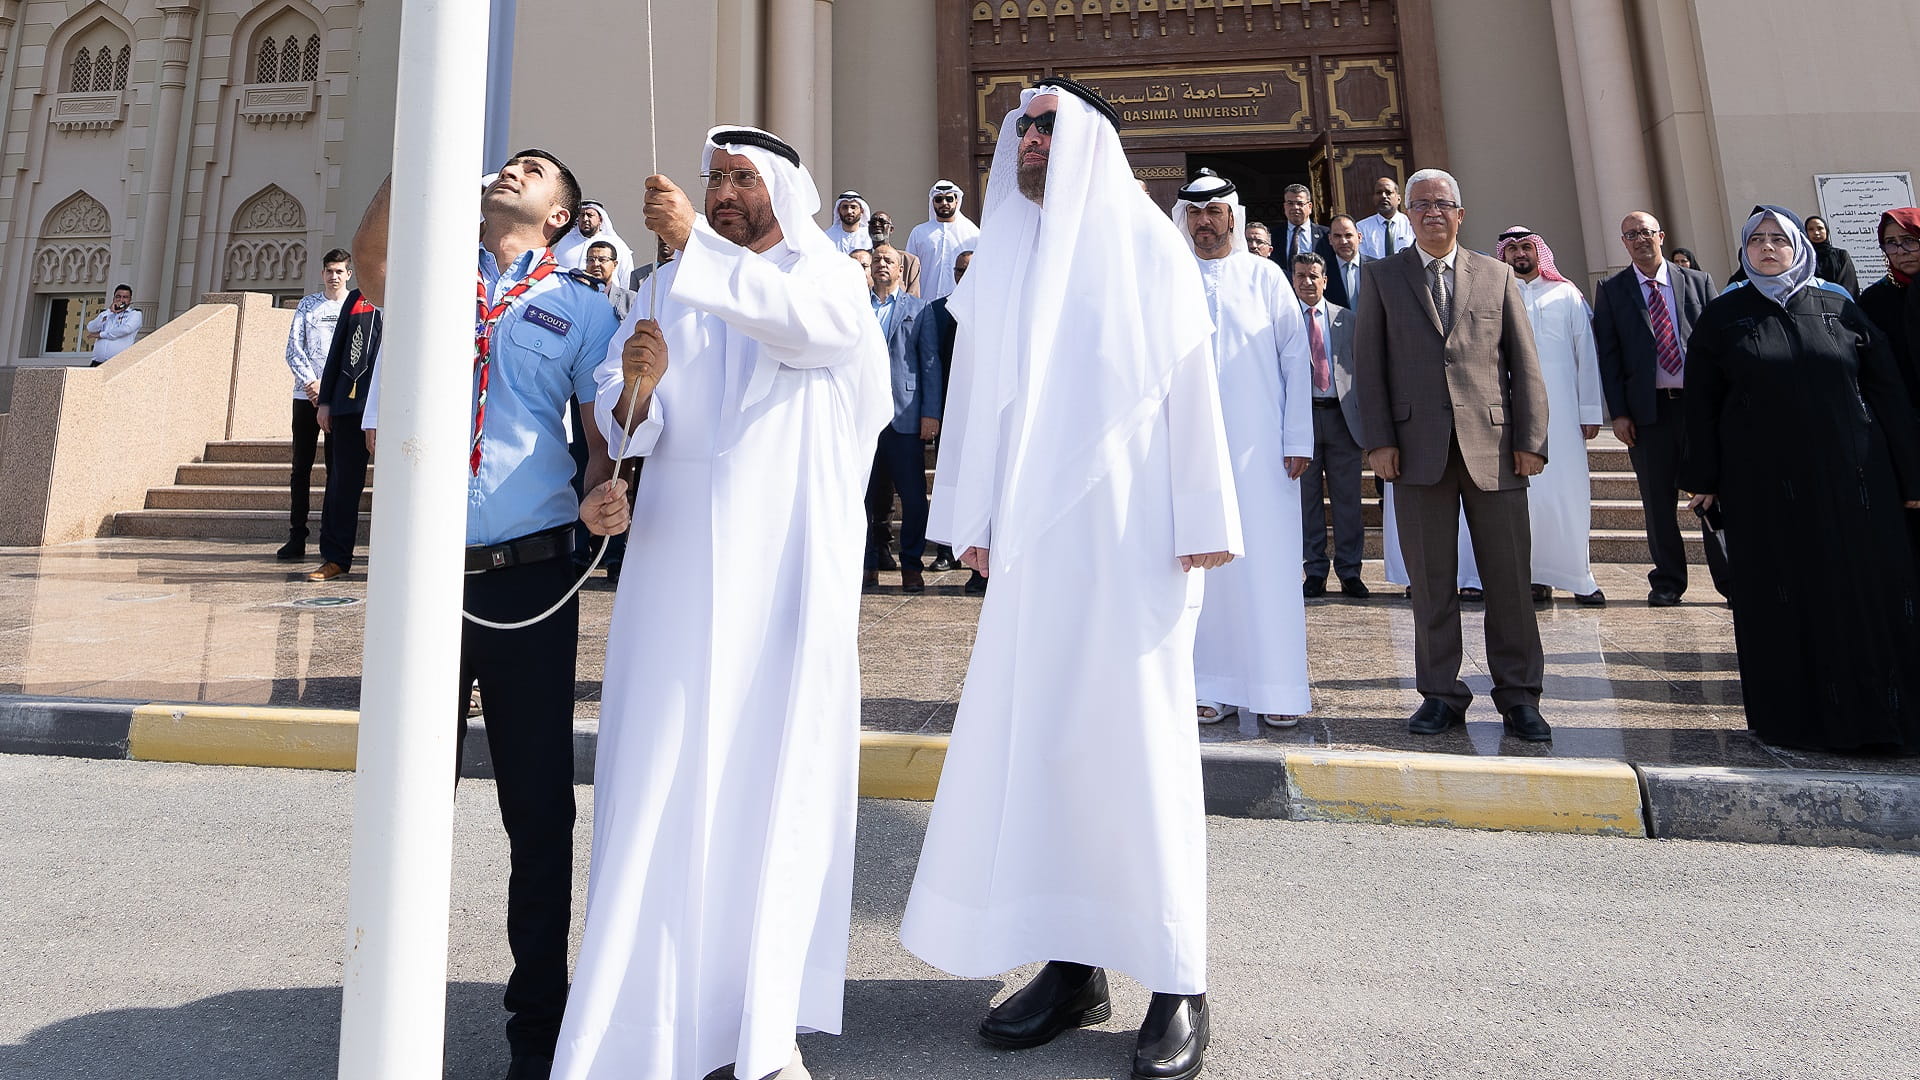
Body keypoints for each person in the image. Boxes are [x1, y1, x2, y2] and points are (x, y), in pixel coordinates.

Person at [901, 78, 1239, 1080]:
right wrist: (967, 517)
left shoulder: (1145, 242)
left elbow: (1189, 381)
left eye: (1048, 125)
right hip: (1036, 550)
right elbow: (976, 397)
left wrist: (1206, 516)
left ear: (1091, 140)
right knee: (1045, 747)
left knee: (1136, 754)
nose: (1029, 138)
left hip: (1138, 537)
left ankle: (1180, 981)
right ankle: (1073, 963)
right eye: (1022, 126)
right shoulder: (1008, 246)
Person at [556, 126, 890, 1080]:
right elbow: (628, 411)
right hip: (672, 571)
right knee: (661, 774)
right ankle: (638, 1028)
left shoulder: (824, 273)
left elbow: (808, 331)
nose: (727, 190)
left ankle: (759, 1032)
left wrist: (698, 244)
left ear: (783, 190)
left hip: (784, 571)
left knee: (767, 779)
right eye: (716, 177)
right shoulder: (665, 289)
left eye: (744, 177)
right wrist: (630, 408)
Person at [353, 148, 623, 1080]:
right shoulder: (432, 274)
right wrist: (415, 152)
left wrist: (605, 493)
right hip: (424, 578)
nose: (515, 168)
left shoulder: (585, 308)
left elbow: (600, 438)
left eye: (537, 169)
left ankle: (536, 1031)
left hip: (528, 583)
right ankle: (391, 1015)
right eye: (508, 161)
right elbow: (374, 263)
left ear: (560, 215)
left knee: (537, 809)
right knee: (405, 797)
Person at [1680, 206, 1920, 754]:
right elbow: (1702, 403)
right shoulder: (1724, 316)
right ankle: (1799, 723)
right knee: (1787, 595)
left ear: (1798, 246)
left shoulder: (1839, 306)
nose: (1768, 248)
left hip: (1857, 481)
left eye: (1778, 239)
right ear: (1744, 249)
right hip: (1766, 489)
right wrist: (1705, 476)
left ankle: (1882, 720)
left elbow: (1886, 391)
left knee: (1865, 592)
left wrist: (1911, 475)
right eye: (1757, 240)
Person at [1354, 168, 1553, 743]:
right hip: (1416, 453)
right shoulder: (1382, 277)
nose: (1432, 212)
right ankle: (1441, 694)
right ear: (1407, 216)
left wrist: (1530, 441)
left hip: (1494, 451)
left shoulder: (1495, 275)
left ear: (1461, 214)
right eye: (1420, 205)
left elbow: (1525, 364)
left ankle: (1519, 697)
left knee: (1510, 581)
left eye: (1443, 203)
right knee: (1431, 582)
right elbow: (1368, 368)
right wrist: (1381, 441)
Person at [1172, 170, 1312, 728]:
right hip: (1190, 451)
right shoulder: (1171, 277)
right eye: (1195, 214)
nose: (1205, 223)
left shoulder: (1266, 277)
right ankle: (1211, 685)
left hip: (1262, 453)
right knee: (1205, 568)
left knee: (1268, 568)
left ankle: (1277, 688)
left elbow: (1294, 359)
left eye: (1215, 212)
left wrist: (1297, 436)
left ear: (1233, 215)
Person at [1452, 228, 1606, 605]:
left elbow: (1585, 356)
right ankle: (1492, 575)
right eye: (1513, 249)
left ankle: (1574, 575)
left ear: (1539, 252)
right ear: (1502, 254)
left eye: (1526, 247)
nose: (1520, 254)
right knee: (1502, 496)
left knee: (1563, 494)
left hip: (1563, 414)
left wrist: (1590, 410)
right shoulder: (1491, 293)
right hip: (1505, 412)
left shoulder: (1566, 294)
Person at [1592, 211, 1721, 607]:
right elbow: (1609, 358)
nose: (1639, 239)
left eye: (1646, 232)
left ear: (1661, 236)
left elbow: (1717, 347)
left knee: (1715, 494)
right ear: (1624, 243)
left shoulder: (1697, 283)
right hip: (1649, 416)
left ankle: (1731, 580)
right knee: (1657, 502)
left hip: (1700, 411)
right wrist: (1619, 413)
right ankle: (1667, 581)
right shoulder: (1613, 291)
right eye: (1631, 234)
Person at [862, 242, 938, 592]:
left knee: (911, 496)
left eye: (888, 260)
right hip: (862, 418)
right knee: (861, 497)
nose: (881, 264)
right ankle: (866, 565)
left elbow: (929, 364)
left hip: (904, 417)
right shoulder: (856, 307)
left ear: (899, 269)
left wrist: (930, 414)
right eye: (876, 259)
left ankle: (911, 565)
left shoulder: (919, 310)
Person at [1293, 251, 1368, 600]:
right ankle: (1315, 571)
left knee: (1347, 500)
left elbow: (1363, 370)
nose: (1307, 282)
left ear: (1325, 280)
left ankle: (1351, 571)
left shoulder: (1348, 320)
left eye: (1313, 276)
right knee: (1307, 501)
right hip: (1302, 419)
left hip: (1341, 418)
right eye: (1300, 276)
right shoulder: (1285, 321)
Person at [277, 250, 351, 562]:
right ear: (322, 274)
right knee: (301, 467)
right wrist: (312, 384)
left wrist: (331, 389)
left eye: (339, 271)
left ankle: (330, 538)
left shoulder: (356, 305)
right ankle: (297, 535)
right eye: (329, 271)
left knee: (336, 470)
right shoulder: (308, 305)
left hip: (338, 400)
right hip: (305, 396)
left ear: (349, 274)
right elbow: (294, 348)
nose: (334, 276)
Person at [306, 287, 381, 582]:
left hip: (396, 407)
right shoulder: (359, 296)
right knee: (341, 485)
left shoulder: (414, 282)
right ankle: (335, 558)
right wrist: (325, 401)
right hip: (350, 404)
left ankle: (393, 557)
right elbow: (338, 347)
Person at [915, 248, 975, 583]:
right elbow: (931, 361)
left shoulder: (994, 307)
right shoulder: (939, 310)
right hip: (949, 411)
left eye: (971, 270)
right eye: (960, 271)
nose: (964, 277)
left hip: (981, 412)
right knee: (947, 480)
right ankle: (944, 550)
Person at [905, 179, 980, 300]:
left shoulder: (972, 233)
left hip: (961, 304)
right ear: (933, 202)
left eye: (949, 199)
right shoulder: (919, 233)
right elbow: (909, 271)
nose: (944, 203)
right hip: (926, 303)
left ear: (956, 201)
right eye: (939, 199)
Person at [553, 200, 634, 284]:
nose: (585, 219)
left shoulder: (616, 244)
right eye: (582, 215)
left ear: (600, 219)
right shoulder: (566, 242)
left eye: (590, 215)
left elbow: (627, 278)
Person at [1274, 182, 1333, 267]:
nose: (1295, 207)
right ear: (1284, 207)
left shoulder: (1326, 235)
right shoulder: (1273, 235)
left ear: (1310, 207)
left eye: (1300, 204)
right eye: (1290, 203)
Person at [84, 284, 142, 366]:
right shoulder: (106, 314)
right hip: (97, 363)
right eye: (118, 296)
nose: (121, 299)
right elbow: (91, 328)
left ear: (130, 300)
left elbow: (125, 329)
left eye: (125, 297)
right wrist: (109, 312)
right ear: (114, 298)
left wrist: (101, 335)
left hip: (119, 363)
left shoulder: (135, 314)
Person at [1321, 213, 1370, 311]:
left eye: (1348, 235)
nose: (1343, 241)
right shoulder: (1323, 271)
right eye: (1337, 236)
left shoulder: (1375, 267)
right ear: (1330, 239)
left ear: (1359, 237)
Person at [1356, 176, 1413, 259]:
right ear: (1374, 198)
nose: (1383, 196)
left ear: (1399, 199)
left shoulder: (1411, 223)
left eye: (1388, 192)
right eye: (1379, 193)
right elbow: (1363, 260)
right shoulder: (1362, 228)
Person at [1804, 214, 1860, 297]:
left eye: (1820, 228)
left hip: (1839, 302)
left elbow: (1849, 283)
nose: (1816, 233)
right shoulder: (1805, 257)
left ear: (1826, 230)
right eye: (1811, 229)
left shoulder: (1841, 255)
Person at [867, 211, 921, 296]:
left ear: (891, 229)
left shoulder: (909, 261)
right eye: (873, 222)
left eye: (882, 222)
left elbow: (913, 301)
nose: (877, 225)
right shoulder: (859, 260)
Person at [581, 240, 636, 319]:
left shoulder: (630, 300)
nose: (596, 264)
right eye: (591, 260)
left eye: (602, 260)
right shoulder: (575, 296)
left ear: (615, 264)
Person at [824, 190, 872, 254]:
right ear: (838, 210)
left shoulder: (869, 236)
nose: (849, 211)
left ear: (862, 211)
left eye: (853, 207)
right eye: (845, 207)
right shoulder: (828, 236)